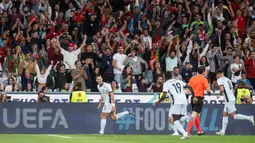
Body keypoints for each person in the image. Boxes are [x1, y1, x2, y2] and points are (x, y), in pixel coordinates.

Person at [153, 71, 192, 139]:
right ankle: (182, 128)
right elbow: (189, 86)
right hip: (183, 101)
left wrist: (158, 102)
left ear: (165, 77)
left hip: (176, 102)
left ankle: (185, 130)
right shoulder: (178, 81)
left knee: (174, 119)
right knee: (174, 119)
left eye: (163, 77)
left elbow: (164, 95)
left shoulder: (167, 84)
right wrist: (193, 95)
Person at [215, 69, 254, 136]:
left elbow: (221, 89)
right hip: (231, 98)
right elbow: (231, 89)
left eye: (217, 74)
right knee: (224, 114)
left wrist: (219, 94)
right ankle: (223, 131)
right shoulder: (228, 80)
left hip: (228, 100)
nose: (217, 76)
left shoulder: (220, 80)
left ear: (219, 74)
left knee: (233, 116)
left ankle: (249, 117)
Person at [186, 66, 211, 135]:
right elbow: (208, 90)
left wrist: (187, 97)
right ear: (203, 72)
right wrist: (210, 93)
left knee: (197, 115)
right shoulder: (204, 79)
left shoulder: (192, 78)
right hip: (199, 98)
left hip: (193, 98)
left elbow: (187, 89)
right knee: (194, 115)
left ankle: (199, 131)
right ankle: (187, 132)